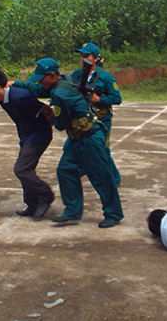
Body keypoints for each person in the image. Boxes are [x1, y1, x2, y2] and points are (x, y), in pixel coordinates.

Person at [28, 58, 124, 229]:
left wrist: (49, 116)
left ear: (52, 75)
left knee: (101, 177)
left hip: (90, 138)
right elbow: (39, 89)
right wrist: (17, 85)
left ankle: (113, 214)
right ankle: (72, 210)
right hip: (78, 138)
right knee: (65, 170)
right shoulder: (65, 80)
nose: (40, 82)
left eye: (42, 78)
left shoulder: (59, 94)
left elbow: (61, 123)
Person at [0, 65, 55, 218]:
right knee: (27, 170)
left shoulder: (20, 96)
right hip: (26, 135)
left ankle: (46, 196)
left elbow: (45, 111)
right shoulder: (1, 98)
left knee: (21, 169)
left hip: (39, 135)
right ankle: (32, 204)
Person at [69, 42, 122, 186]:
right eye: (81, 55)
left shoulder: (106, 78)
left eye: (87, 56)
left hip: (101, 119)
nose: (83, 58)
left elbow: (117, 99)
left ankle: (115, 178)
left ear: (95, 59)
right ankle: (81, 169)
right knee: (74, 146)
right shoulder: (76, 75)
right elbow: (67, 91)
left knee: (102, 150)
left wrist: (99, 99)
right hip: (81, 119)